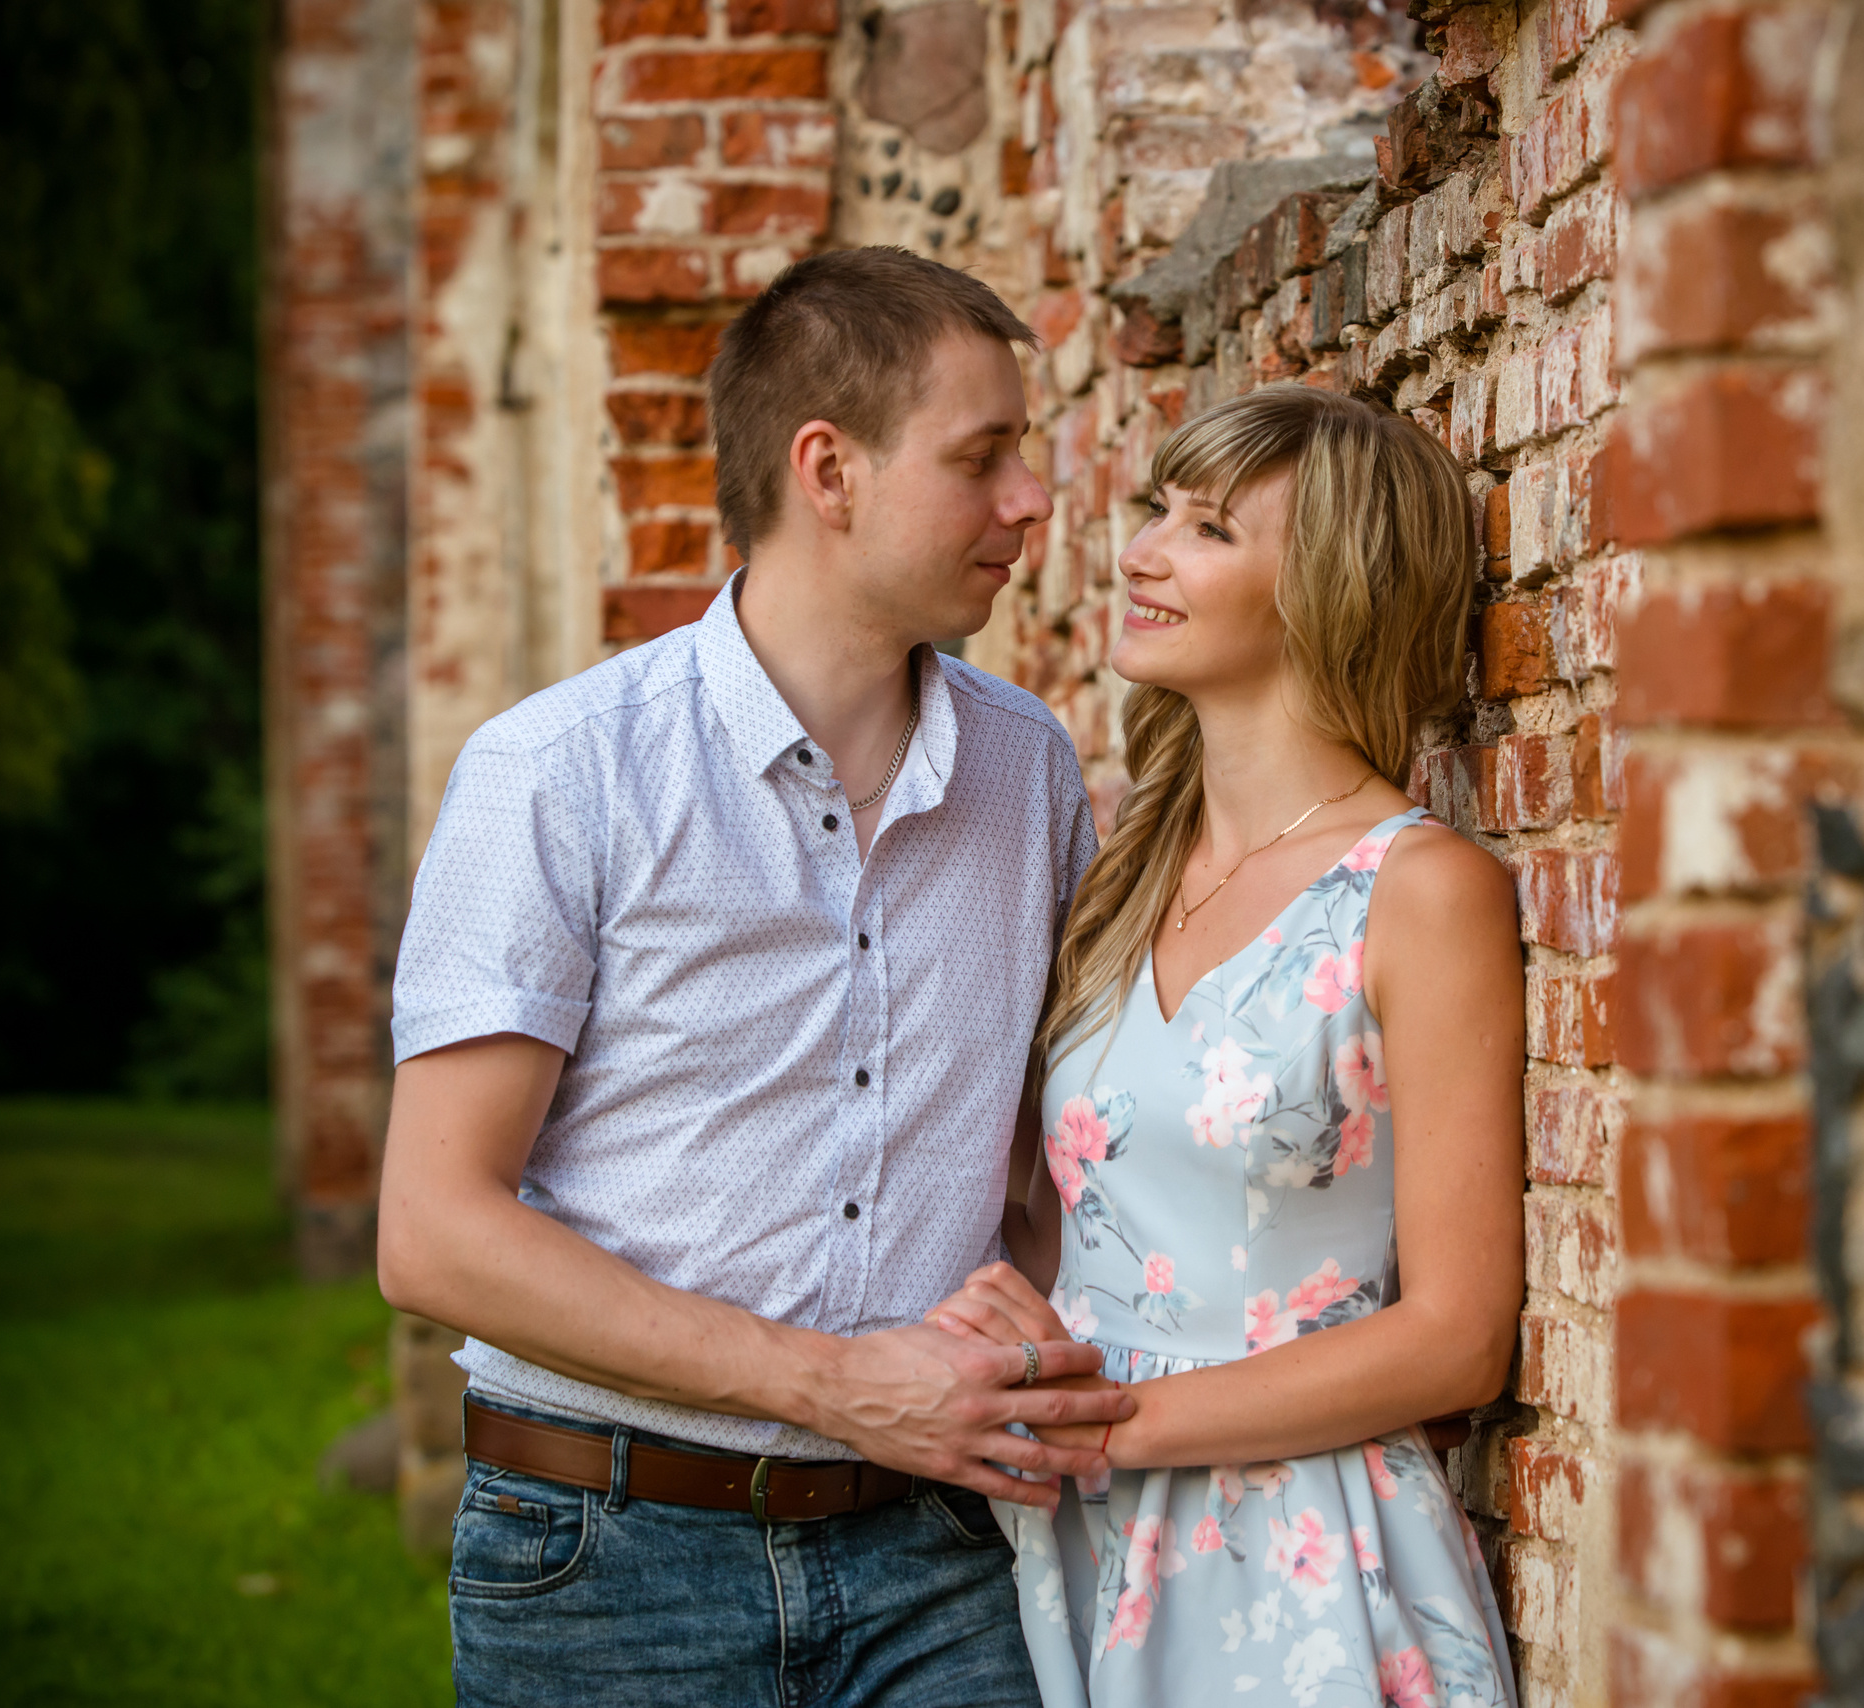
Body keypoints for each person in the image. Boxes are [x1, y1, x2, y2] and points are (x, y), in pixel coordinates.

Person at [374, 246, 1137, 1708]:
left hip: (941, 1553)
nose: (1033, 502)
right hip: (604, 1561)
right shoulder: (559, 773)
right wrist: (837, 1384)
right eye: (982, 459)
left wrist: (1021, 1327)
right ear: (828, 470)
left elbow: (1054, 1150)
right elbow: (433, 1232)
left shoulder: (1029, 770)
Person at [925, 384, 1526, 1707]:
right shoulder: (1122, 872)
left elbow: (1457, 1336)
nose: (1140, 550)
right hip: (1077, 1541)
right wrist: (1007, 1317)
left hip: (1299, 1562)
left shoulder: (1417, 894)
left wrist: (1115, 1426)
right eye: (1157, 512)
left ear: (1327, 583)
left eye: (1205, 528)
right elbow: (1091, 1216)